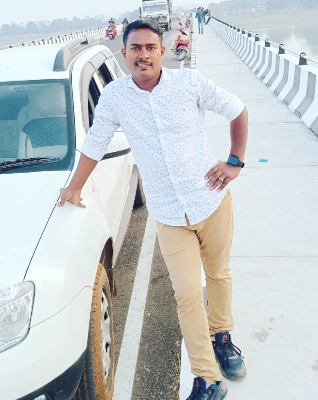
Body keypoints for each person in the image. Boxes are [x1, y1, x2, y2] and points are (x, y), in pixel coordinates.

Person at [57, 19, 248, 400]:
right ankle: (207, 379)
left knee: (218, 274)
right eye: (135, 48)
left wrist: (234, 162)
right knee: (187, 293)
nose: (143, 55)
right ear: (124, 53)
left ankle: (222, 336)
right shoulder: (114, 97)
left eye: (150, 47)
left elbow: (238, 110)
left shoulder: (189, 83)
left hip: (210, 200)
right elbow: (95, 143)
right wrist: (73, 187)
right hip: (168, 214)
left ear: (162, 51)